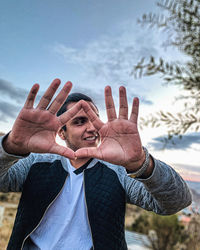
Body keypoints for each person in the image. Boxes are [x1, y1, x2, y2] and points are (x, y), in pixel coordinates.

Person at [0, 78, 191, 250]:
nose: (92, 127)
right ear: (61, 132)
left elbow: (176, 202)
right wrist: (11, 146)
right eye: (80, 121)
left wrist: (141, 162)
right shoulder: (36, 163)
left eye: (94, 119)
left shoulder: (119, 172)